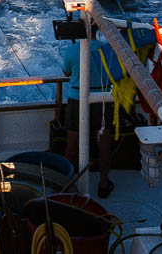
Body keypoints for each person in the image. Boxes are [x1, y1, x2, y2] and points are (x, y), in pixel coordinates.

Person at [61, 29, 114, 198]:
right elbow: (112, 74)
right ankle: (103, 183)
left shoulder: (71, 50)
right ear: (97, 29)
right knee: (103, 142)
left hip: (77, 99)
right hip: (102, 99)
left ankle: (67, 185)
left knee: (72, 142)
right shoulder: (106, 49)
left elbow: (67, 72)